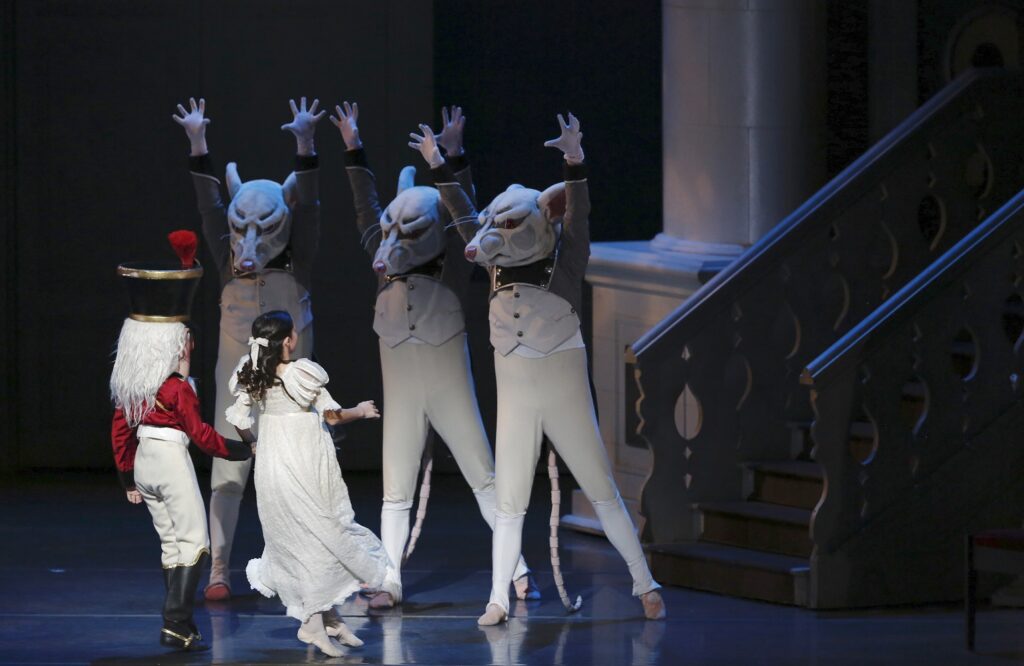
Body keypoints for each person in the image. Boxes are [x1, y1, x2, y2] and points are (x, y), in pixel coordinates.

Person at [410, 114, 667, 625]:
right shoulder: (495, 265)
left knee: (602, 490)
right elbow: (465, 214)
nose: (494, 233)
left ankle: (645, 584)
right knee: (509, 504)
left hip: (564, 393)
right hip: (518, 399)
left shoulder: (567, 259)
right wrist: (439, 163)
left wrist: (574, 163)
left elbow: (579, 214)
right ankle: (498, 598)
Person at [333, 101, 536, 608]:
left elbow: (465, 216)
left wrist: (451, 158)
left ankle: (520, 570)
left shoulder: (454, 265)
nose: (394, 240)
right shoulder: (385, 265)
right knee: (394, 490)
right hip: (402, 397)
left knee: (484, 479)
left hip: (449, 391)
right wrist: (353, 147)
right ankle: (390, 580)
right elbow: (366, 209)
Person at [173, 96, 324, 601]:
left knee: (296, 476)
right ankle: (219, 567)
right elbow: (209, 206)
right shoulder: (225, 256)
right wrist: (198, 146)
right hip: (234, 384)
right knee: (229, 472)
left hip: (290, 387)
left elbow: (311, 203)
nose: (248, 238)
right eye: (242, 228)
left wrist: (306, 146)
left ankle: (301, 569)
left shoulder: (297, 261)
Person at [225, 310, 400, 657]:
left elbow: (239, 419)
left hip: (274, 461)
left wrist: (255, 444)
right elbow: (332, 416)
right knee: (320, 535)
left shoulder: (253, 372)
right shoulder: (300, 372)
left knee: (303, 536)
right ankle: (313, 624)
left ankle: (330, 617)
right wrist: (361, 411)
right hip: (303, 462)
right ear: (288, 340)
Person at [110, 235, 252, 651]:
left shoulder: (135, 388)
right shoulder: (176, 389)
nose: (189, 346)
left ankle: (177, 623)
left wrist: (127, 479)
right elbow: (201, 436)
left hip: (143, 464)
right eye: (185, 341)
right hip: (170, 458)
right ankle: (177, 621)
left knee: (172, 543)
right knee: (195, 543)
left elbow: (120, 431)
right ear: (172, 347)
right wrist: (241, 450)